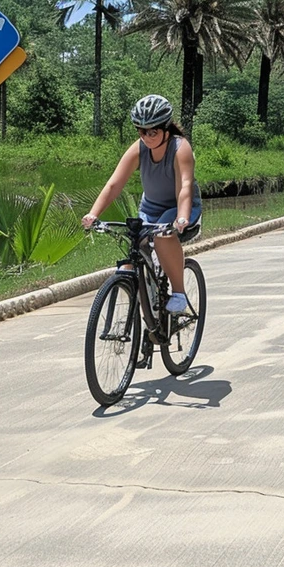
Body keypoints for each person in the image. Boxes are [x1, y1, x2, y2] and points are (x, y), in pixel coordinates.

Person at [82, 95, 202, 366]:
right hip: (150, 208)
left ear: (166, 128)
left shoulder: (180, 148)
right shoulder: (138, 149)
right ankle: (145, 310)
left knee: (162, 236)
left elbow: (184, 187)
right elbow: (114, 184)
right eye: (141, 130)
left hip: (180, 208)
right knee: (128, 265)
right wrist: (93, 213)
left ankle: (179, 293)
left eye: (153, 131)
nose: (147, 136)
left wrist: (182, 218)